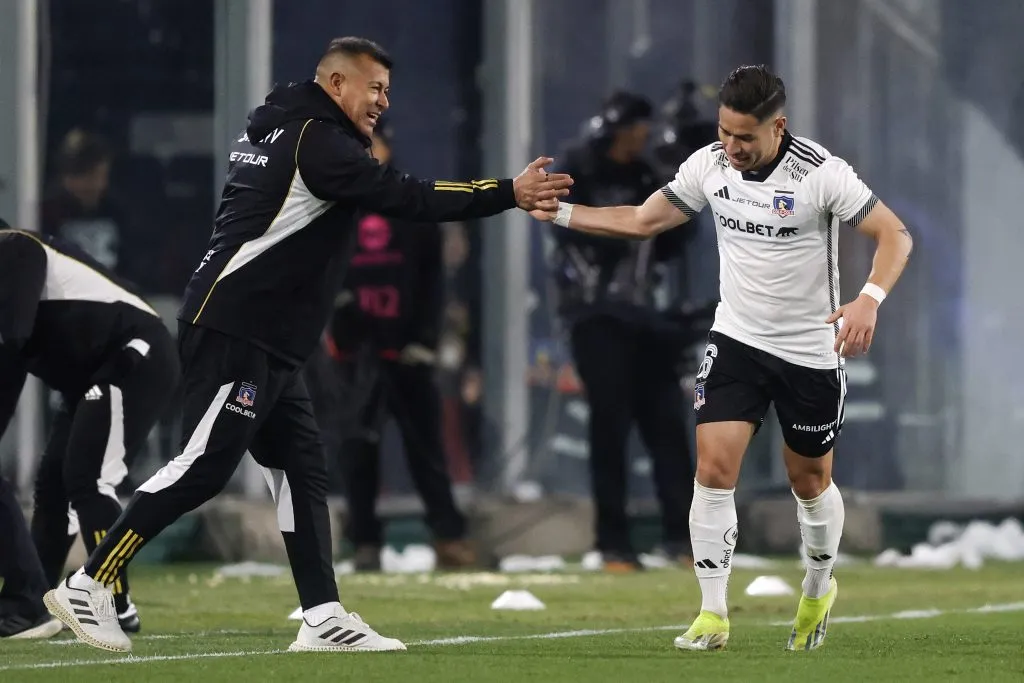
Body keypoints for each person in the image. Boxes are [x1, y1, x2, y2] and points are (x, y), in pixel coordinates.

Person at [45, 36, 572, 654]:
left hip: (265, 334)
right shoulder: (319, 142)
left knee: (301, 468)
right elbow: (406, 196)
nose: (383, 101)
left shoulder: (285, 128)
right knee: (204, 467)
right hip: (239, 330)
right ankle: (93, 581)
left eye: (388, 90)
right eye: (373, 88)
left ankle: (322, 615)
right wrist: (507, 191)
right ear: (336, 84)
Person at [532, 64, 912, 652]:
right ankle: (712, 615)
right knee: (711, 469)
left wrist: (869, 300)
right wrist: (559, 211)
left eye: (745, 137)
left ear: (777, 127)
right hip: (737, 340)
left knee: (809, 482)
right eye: (725, 132)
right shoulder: (708, 164)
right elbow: (641, 221)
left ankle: (817, 587)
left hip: (811, 349)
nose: (731, 147)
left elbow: (895, 235)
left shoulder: (821, 173)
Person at [0, 219, 179, 638]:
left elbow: (12, 339)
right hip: (94, 375)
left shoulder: (16, 247)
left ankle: (113, 602)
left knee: (89, 478)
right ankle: (35, 604)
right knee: (54, 485)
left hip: (133, 356)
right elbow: (10, 364)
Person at [549, 92, 695, 571]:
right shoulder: (580, 171)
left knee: (667, 426)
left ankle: (684, 538)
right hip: (596, 316)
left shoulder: (648, 175)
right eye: (635, 129)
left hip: (644, 317)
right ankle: (613, 543)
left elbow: (675, 236)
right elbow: (565, 227)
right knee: (609, 426)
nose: (642, 139)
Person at [320, 122, 475, 571]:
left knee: (425, 448)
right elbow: (324, 273)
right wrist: (339, 327)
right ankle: (365, 542)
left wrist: (425, 338)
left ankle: (450, 538)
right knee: (357, 448)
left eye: (373, 142)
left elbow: (431, 278)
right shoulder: (335, 202)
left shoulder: (408, 199)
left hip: (406, 349)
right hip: (356, 351)